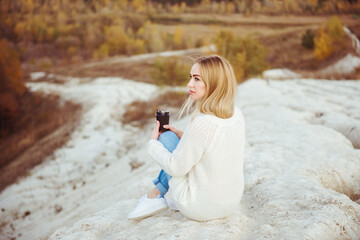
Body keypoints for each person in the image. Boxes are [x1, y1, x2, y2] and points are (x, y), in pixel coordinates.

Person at [128, 55, 245, 221]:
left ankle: (154, 196)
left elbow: (176, 168)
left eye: (197, 79)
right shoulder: (236, 113)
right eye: (190, 77)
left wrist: (153, 144)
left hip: (201, 208)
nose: (189, 84)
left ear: (214, 83)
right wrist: (186, 137)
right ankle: (155, 196)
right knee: (177, 142)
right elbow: (219, 148)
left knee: (167, 138)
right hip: (230, 203)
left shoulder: (202, 122)